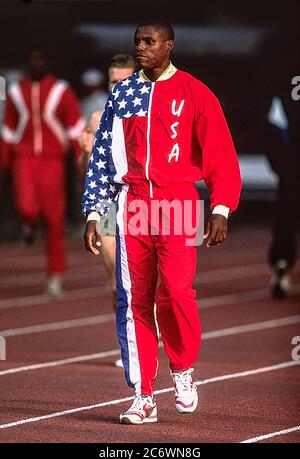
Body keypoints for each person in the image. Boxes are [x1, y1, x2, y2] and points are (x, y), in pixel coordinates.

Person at [82, 22, 241, 424]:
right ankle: (144, 394)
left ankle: (183, 370)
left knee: (176, 292)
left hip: (179, 201)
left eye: (149, 41)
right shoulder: (123, 93)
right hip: (133, 203)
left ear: (169, 46)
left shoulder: (195, 92)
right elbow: (104, 155)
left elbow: (221, 152)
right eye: (137, 41)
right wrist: (94, 211)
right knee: (134, 300)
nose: (141, 47)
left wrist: (221, 207)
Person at [1, 50, 84, 298]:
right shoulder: (16, 91)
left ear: (47, 63)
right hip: (24, 158)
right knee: (26, 206)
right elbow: (8, 129)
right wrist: (4, 163)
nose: (35, 64)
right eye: (32, 60)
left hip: (52, 160)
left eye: (40, 60)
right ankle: (28, 223)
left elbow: (75, 124)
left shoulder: (61, 90)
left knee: (54, 220)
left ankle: (55, 276)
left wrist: (81, 157)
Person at [79, 54, 137, 368]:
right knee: (119, 278)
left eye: (123, 81)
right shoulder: (98, 117)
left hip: (143, 200)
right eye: (113, 81)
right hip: (110, 205)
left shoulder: (147, 114)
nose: (118, 86)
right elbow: (84, 170)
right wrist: (85, 152)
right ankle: (130, 344)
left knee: (148, 280)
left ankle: (147, 328)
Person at [261, 28, 300, 298]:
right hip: (290, 169)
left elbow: (273, 131)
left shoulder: (283, 86)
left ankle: (282, 267)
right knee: (286, 218)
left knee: (286, 218)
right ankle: (282, 267)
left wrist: (280, 166)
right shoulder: (284, 87)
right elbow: (274, 130)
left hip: (290, 171)